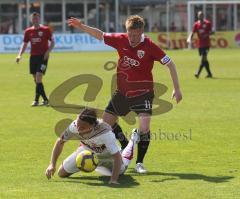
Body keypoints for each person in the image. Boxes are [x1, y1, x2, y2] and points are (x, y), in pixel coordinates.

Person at [68, 15, 182, 173]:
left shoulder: (150, 46)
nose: (132, 38)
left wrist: (177, 88)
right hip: (122, 93)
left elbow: (170, 63)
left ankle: (140, 163)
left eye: (135, 35)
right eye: (130, 34)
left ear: (141, 31)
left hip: (143, 93)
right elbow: (100, 34)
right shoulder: (121, 40)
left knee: (144, 127)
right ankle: (125, 144)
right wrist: (81, 26)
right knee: (106, 124)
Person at [45, 108, 139, 184]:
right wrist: (52, 164)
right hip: (85, 152)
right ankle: (90, 160)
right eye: (77, 124)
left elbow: (117, 157)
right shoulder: (74, 126)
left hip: (108, 157)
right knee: (61, 173)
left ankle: (133, 141)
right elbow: (60, 142)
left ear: (92, 126)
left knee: (121, 171)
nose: (78, 128)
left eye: (82, 127)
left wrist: (113, 180)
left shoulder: (105, 132)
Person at [16, 12, 55, 106]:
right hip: (33, 57)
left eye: (37, 19)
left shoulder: (45, 29)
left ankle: (43, 100)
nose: (35, 20)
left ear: (39, 19)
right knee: (36, 79)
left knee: (38, 77)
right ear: (31, 20)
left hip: (43, 57)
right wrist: (19, 55)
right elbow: (24, 44)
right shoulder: (28, 31)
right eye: (33, 19)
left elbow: (53, 42)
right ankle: (39, 100)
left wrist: (47, 52)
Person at [187, 11, 214, 78]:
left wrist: (207, 34)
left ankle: (198, 73)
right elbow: (192, 32)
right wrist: (190, 38)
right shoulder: (196, 24)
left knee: (203, 58)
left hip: (206, 44)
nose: (200, 16)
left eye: (201, 15)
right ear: (198, 16)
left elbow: (212, 32)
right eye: (199, 15)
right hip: (200, 45)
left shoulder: (208, 23)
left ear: (203, 16)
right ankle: (209, 74)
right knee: (205, 60)